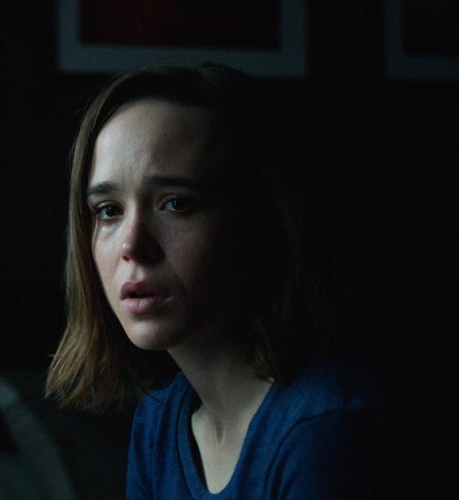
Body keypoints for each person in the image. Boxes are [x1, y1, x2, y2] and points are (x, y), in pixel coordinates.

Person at [45, 65, 391, 499]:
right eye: (108, 210)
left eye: (176, 203)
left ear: (262, 220)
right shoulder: (158, 424)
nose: (132, 245)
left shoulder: (328, 426)